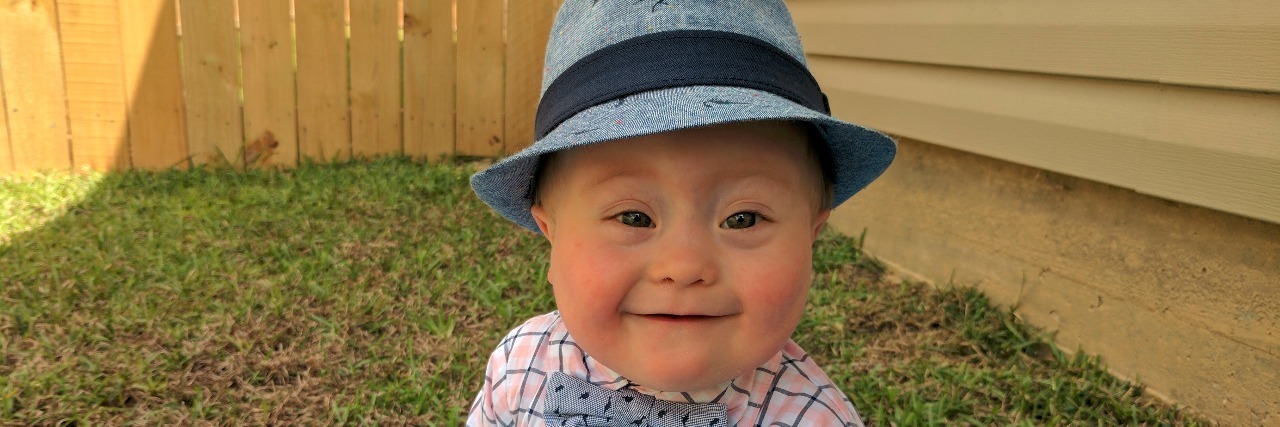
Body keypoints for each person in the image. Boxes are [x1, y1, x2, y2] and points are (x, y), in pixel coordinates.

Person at [467, 1, 895, 425]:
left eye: (743, 218)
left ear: (811, 234)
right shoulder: (519, 367)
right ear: (550, 233)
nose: (685, 266)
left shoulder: (815, 418)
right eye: (634, 217)